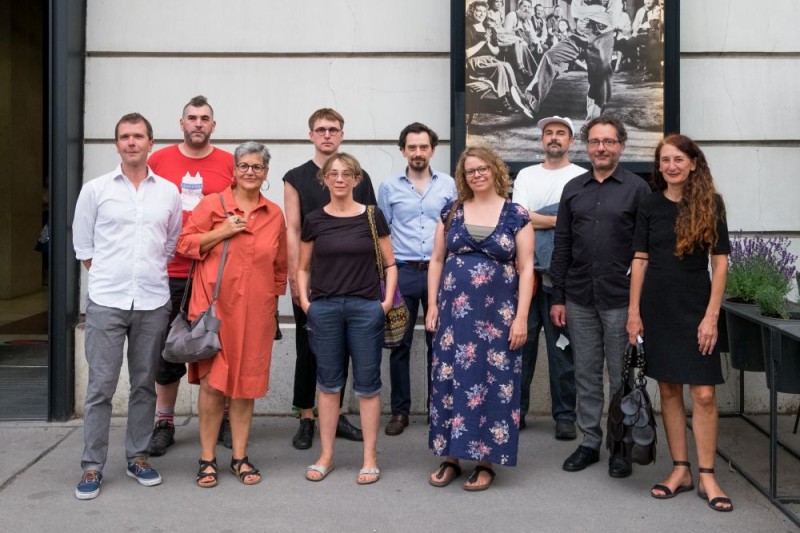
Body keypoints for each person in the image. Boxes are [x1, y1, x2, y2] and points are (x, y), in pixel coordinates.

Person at [72, 113, 182, 500]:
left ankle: (138, 457)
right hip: (107, 301)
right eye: (124, 137)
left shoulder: (168, 192)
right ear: (116, 144)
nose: (131, 142)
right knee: (100, 387)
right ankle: (92, 466)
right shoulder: (96, 190)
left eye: (138, 136)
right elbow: (84, 247)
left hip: (152, 300)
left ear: (151, 143)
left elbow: (170, 244)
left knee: (143, 385)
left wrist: (143, 273)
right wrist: (113, 275)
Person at [627, 135, 732, 511]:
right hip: (657, 307)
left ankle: (708, 475)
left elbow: (719, 262)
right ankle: (681, 470)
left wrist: (711, 316)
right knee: (669, 390)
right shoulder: (649, 205)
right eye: (664, 160)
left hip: (696, 306)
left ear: (692, 163)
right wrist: (634, 312)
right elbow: (639, 259)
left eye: (677, 159)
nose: (670, 166)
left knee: (703, 394)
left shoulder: (710, 204)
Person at [178, 141, 287, 488]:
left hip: (256, 313)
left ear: (266, 173)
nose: (250, 172)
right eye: (244, 166)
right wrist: (222, 231)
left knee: (245, 387)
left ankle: (240, 456)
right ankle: (207, 458)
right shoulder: (213, 204)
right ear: (234, 171)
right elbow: (184, 244)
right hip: (214, 311)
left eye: (257, 167)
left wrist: (272, 306)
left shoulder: (274, 214)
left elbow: (280, 266)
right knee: (212, 385)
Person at [426, 146, 534, 491]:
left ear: (495, 170)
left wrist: (521, 318)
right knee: (450, 381)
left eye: (483, 168)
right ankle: (450, 457)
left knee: (492, 384)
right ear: (464, 176)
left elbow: (528, 267)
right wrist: (432, 305)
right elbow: (437, 261)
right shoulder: (452, 211)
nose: (477, 174)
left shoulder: (515, 213)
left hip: (497, 318)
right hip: (454, 317)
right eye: (470, 170)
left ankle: (486, 462)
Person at [550, 115, 650, 478]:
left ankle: (620, 447)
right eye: (595, 142)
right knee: (586, 375)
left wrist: (639, 306)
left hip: (621, 300)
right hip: (578, 297)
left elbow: (645, 250)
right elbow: (561, 246)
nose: (601, 148)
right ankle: (589, 442)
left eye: (609, 142)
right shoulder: (573, 188)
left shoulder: (638, 189)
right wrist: (558, 297)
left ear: (621, 146)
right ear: (586, 146)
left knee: (621, 377)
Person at [296, 153, 396, 485]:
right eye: (333, 174)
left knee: (367, 386)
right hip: (324, 310)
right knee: (328, 386)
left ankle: (369, 457)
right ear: (323, 180)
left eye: (347, 174)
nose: (340, 179)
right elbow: (303, 267)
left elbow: (391, 264)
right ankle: (326, 456)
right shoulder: (313, 220)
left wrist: (382, 305)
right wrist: (308, 304)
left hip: (365, 308)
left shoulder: (372, 215)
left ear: (357, 180)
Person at [147, 95, 235, 456]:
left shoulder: (230, 163)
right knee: (166, 354)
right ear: (181, 123)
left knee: (219, 348)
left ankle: (225, 419)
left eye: (205, 119)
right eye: (192, 118)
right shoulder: (158, 160)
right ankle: (164, 422)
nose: (198, 123)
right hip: (168, 273)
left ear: (213, 125)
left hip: (216, 275)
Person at [284, 108, 373, 450]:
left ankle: (335, 418)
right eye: (320, 130)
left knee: (346, 349)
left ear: (342, 135)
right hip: (313, 279)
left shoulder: (355, 175)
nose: (327, 135)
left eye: (333, 129)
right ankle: (307, 417)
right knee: (309, 350)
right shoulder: (296, 177)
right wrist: (295, 277)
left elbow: (371, 227)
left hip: (353, 280)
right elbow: (292, 230)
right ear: (311, 135)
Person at [377, 123, 456, 436]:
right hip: (403, 272)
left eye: (424, 147)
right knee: (399, 344)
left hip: (442, 272)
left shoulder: (449, 185)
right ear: (403, 151)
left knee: (440, 343)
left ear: (432, 150)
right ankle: (400, 411)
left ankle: (440, 408)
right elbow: (383, 233)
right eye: (412, 147)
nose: (418, 153)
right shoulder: (389, 187)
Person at [512, 116, 584, 438]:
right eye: (549, 133)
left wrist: (542, 219)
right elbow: (518, 218)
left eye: (561, 133)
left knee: (562, 352)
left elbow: (580, 225)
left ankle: (565, 416)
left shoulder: (581, 177)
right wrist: (559, 220)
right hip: (526, 277)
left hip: (563, 281)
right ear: (542, 140)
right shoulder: (526, 175)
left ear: (571, 140)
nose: (554, 138)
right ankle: (516, 412)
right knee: (520, 348)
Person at [525, 0, 624, 120]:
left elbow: (610, 20)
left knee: (600, 80)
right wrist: (598, 10)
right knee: (550, 56)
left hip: (601, 41)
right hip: (578, 38)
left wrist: (586, 11)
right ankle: (531, 100)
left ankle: (594, 118)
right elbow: (575, 11)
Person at [467, 1, 534, 118]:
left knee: (506, 65)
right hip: (475, 62)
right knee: (499, 66)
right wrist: (482, 41)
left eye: (484, 11)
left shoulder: (490, 29)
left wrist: (488, 43)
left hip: (490, 59)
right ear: (473, 12)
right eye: (478, 11)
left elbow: (496, 51)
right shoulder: (468, 29)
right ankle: (503, 101)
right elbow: (467, 53)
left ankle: (517, 95)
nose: (481, 14)